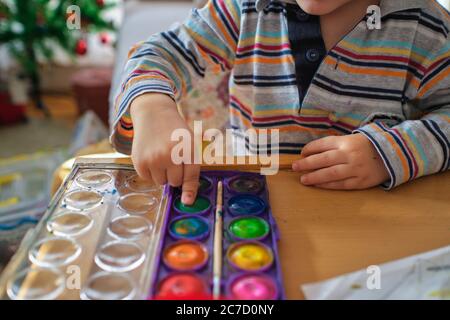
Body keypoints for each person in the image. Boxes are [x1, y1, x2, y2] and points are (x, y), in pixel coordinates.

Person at [111, 0, 450, 205]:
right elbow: (156, 54)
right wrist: (153, 106)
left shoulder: (426, 26)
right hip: (247, 203)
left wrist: (387, 152)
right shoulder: (244, 8)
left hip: (368, 231)